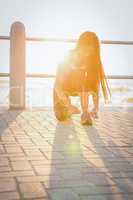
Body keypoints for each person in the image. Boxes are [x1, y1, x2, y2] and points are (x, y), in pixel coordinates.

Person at [53, 31, 111, 125]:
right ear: (80, 45)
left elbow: (95, 84)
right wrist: (68, 105)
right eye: (86, 49)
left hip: (77, 90)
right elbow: (57, 85)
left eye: (91, 50)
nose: (88, 53)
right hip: (61, 96)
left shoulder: (92, 61)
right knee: (63, 116)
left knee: (85, 79)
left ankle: (85, 112)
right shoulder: (68, 56)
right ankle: (71, 110)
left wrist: (95, 108)